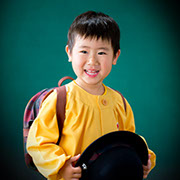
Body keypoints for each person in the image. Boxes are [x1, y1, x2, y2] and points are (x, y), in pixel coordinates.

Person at [27, 11, 156, 180]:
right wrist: (61, 167)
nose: (92, 61)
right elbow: (38, 145)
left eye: (101, 53)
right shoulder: (59, 99)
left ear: (115, 56)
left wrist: (143, 158)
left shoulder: (119, 102)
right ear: (69, 53)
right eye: (84, 51)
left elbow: (128, 140)